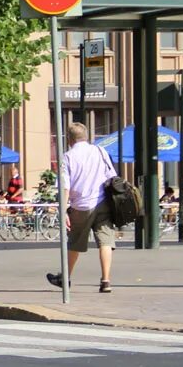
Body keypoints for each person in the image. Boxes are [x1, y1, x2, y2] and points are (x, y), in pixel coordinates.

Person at [47, 122, 117, 294]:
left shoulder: (67, 157)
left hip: (81, 205)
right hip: (103, 202)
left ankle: (65, 278)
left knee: (75, 242)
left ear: (69, 139)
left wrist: (63, 211)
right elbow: (112, 177)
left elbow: (65, 187)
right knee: (106, 242)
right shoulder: (100, 151)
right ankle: (106, 280)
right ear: (86, 136)